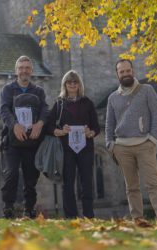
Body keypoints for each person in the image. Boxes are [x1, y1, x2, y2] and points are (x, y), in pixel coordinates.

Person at [105, 59, 157, 225]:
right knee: (131, 187)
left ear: (133, 71)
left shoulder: (147, 90)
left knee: (153, 183)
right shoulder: (112, 97)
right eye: (122, 72)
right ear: (117, 74)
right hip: (122, 148)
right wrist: (111, 145)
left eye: (128, 71)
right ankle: (138, 219)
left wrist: (153, 139)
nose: (125, 74)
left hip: (144, 145)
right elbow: (109, 123)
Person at [0, 55, 49, 219]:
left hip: (32, 142)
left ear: (31, 71)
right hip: (13, 141)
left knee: (31, 178)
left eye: (27, 68)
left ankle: (29, 209)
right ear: (16, 71)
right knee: (11, 173)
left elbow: (44, 110)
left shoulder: (39, 91)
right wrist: (15, 126)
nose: (24, 71)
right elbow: (4, 110)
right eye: (21, 68)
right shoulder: (8, 90)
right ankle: (8, 207)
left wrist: (40, 124)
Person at [47, 70, 100, 218]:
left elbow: (96, 127)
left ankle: (89, 215)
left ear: (79, 84)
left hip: (86, 149)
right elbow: (49, 127)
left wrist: (91, 132)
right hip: (66, 150)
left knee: (87, 183)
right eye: (69, 82)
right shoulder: (59, 104)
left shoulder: (87, 103)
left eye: (75, 82)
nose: (72, 84)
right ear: (65, 84)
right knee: (68, 184)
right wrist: (60, 131)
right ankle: (71, 217)